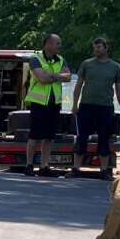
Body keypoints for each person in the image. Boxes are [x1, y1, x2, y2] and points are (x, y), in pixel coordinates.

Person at [69, 37, 120, 180]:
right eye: (95, 47)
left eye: (99, 47)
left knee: (104, 138)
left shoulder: (115, 67)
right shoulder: (87, 64)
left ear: (106, 48)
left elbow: (119, 90)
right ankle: (76, 169)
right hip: (86, 106)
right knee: (82, 137)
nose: (96, 50)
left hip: (105, 108)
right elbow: (78, 85)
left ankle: (104, 171)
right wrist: (74, 105)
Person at [23, 34, 70, 177]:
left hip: (54, 103)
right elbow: (42, 78)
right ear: (48, 44)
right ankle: (29, 165)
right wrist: (57, 76)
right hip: (38, 103)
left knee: (49, 137)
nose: (59, 46)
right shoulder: (35, 59)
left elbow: (68, 76)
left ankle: (44, 166)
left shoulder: (61, 59)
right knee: (34, 136)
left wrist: (53, 76)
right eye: (57, 43)